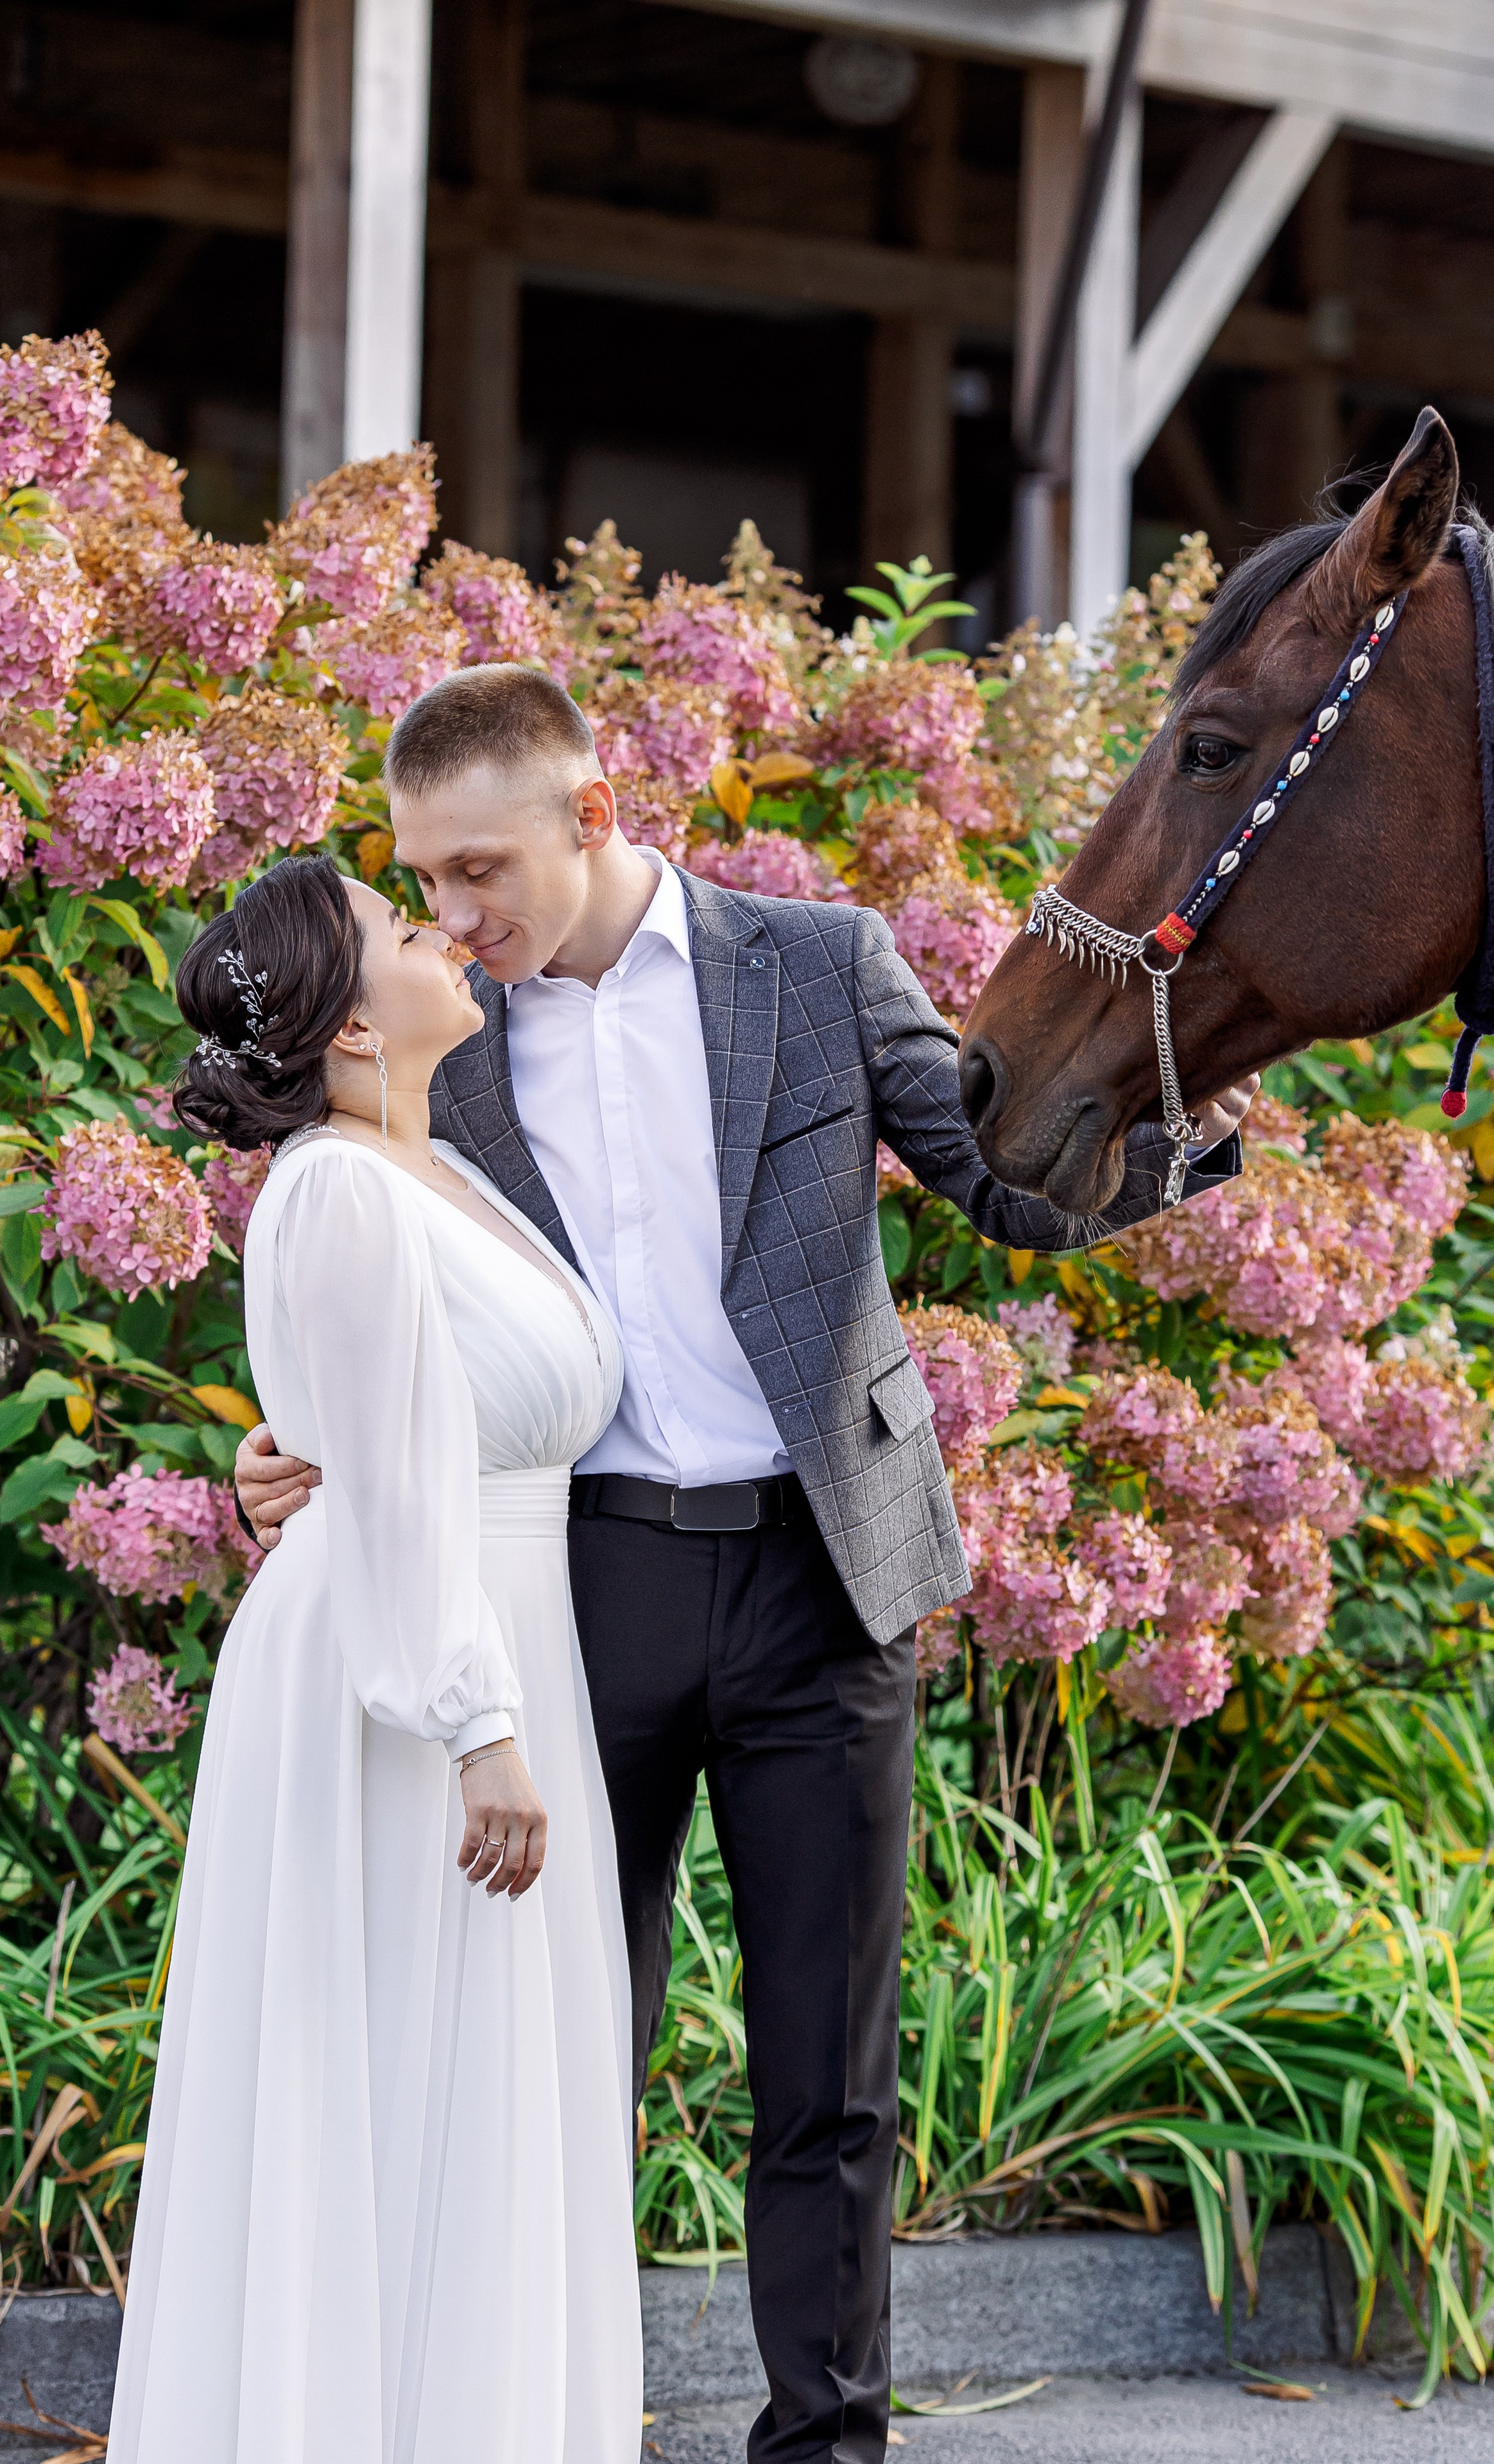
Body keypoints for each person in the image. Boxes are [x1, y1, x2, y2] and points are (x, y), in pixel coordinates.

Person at [236, 666, 1254, 2464]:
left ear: (594, 813)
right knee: (550, 2062)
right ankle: (541, 2422)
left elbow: (989, 1178)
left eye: (482, 872)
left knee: (827, 2081)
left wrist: (1191, 1115)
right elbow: (391, 1294)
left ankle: (828, 2445)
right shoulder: (441, 1051)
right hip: (572, 1594)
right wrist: (298, 1447)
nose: (456, 920)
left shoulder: (817, 958)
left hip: (818, 1574)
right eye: (428, 882)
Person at [110, 855, 641, 2463]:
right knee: (413, 2078)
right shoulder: (336, 1184)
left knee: (481, 2099)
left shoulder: (436, 1170)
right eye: (409, 926)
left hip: (488, 1641)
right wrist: (476, 1727)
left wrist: (304, 1442)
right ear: (352, 1024)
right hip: (409, 1682)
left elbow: (405, 1413)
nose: (447, 931)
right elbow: (400, 1482)